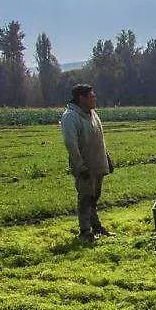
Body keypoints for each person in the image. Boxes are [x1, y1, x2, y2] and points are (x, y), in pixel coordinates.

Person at [61, 84, 114, 242]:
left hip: (98, 163)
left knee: (94, 197)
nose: (94, 98)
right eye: (91, 96)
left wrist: (107, 157)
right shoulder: (70, 117)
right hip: (85, 166)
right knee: (85, 198)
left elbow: (100, 138)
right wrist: (80, 166)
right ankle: (85, 232)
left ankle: (96, 227)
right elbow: (71, 144)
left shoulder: (92, 114)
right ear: (81, 99)